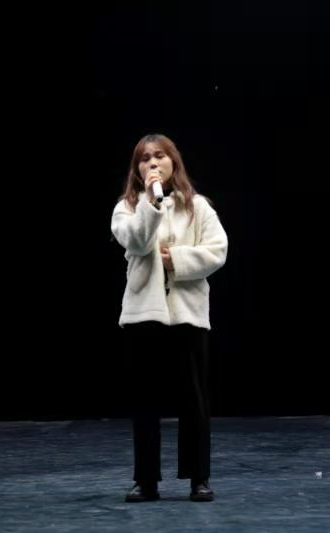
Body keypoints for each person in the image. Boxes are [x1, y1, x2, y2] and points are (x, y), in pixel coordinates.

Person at [111, 133, 228, 502]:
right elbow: (135, 241)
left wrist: (174, 260)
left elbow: (217, 251)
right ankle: (146, 481)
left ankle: (199, 479)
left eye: (159, 156)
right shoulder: (127, 208)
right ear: (137, 169)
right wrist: (151, 203)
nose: (153, 164)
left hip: (187, 314)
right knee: (145, 400)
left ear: (173, 161)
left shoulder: (198, 207)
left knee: (194, 399)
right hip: (143, 314)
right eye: (145, 159)